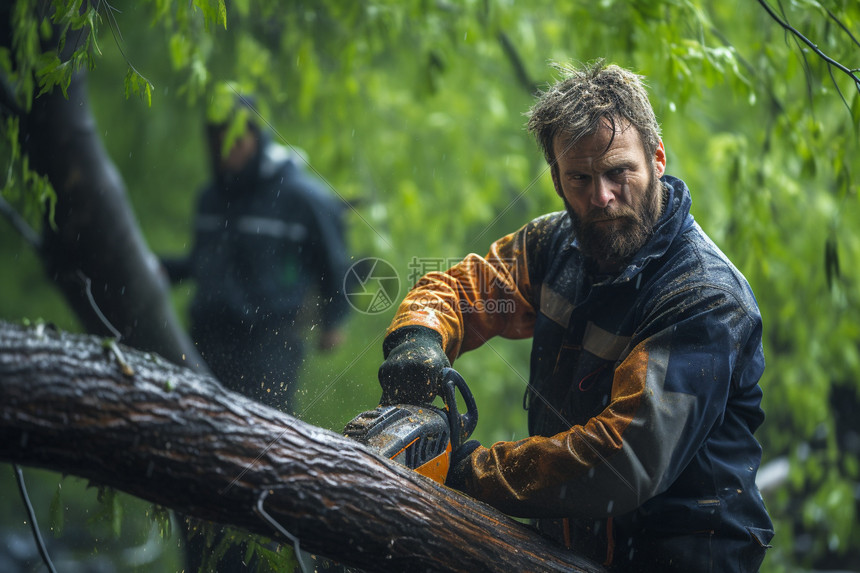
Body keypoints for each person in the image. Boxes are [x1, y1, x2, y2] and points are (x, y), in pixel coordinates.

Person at [376, 61, 774, 571]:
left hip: (684, 555)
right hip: (571, 544)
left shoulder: (705, 298)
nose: (602, 197)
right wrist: (418, 336)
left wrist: (472, 473)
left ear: (656, 159)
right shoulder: (552, 244)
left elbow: (624, 458)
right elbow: (461, 289)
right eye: (581, 178)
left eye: (619, 172)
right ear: (558, 181)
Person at [163, 97, 351, 414]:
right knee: (196, 429)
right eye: (218, 141)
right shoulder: (209, 199)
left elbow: (333, 260)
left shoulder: (299, 196)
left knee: (261, 436)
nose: (228, 150)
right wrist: (154, 269)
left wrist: (334, 319)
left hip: (270, 340)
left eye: (237, 140)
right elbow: (201, 263)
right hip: (207, 337)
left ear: (256, 137)